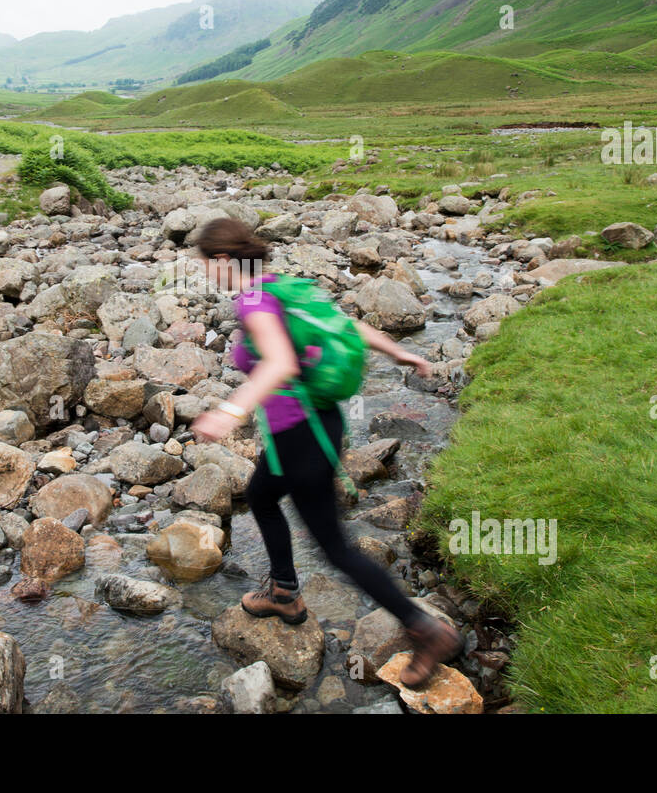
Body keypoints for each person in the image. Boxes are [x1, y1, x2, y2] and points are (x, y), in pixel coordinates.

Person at [189, 217, 461, 688]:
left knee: (335, 546)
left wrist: (228, 412)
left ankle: (425, 629)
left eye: (205, 265)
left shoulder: (254, 299)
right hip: (316, 424)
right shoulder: (286, 287)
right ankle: (285, 591)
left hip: (301, 434)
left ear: (222, 261)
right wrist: (400, 352)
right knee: (260, 496)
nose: (205, 274)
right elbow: (347, 324)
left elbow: (279, 363)